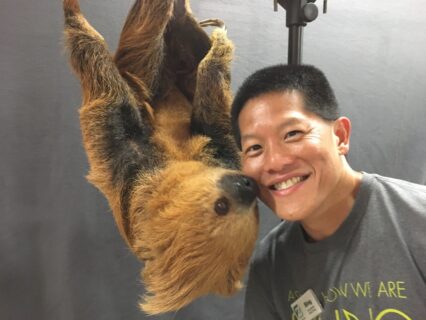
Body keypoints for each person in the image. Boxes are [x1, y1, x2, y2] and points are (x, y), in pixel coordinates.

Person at [230, 64, 426, 319]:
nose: (274, 162)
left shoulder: (417, 221)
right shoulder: (271, 264)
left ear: (340, 136)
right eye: (254, 148)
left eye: (292, 134)